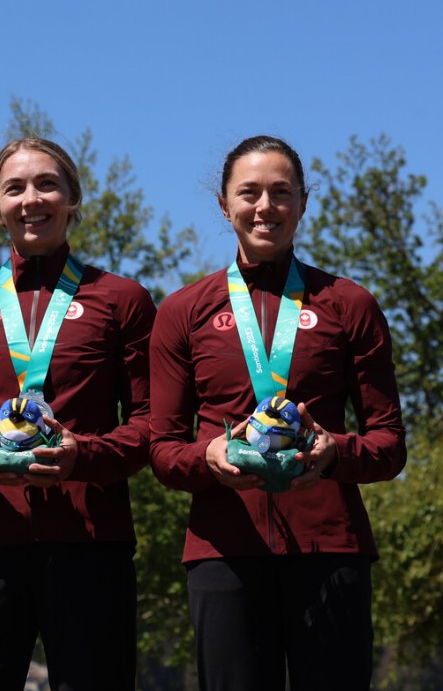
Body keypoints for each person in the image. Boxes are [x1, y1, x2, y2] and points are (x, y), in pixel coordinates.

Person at [149, 136, 406, 690]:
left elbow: (388, 442)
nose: (265, 207)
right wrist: (208, 457)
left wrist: (337, 452)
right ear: (224, 204)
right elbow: (163, 450)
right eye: (249, 192)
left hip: (330, 547)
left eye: (280, 192)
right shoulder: (182, 312)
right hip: (224, 549)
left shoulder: (349, 304)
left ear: (303, 202)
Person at [0, 137, 155, 691]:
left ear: (73, 198)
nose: (32, 199)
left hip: (90, 539)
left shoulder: (123, 299)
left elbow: (151, 423)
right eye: (15, 187)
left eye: (47, 184)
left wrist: (85, 457)